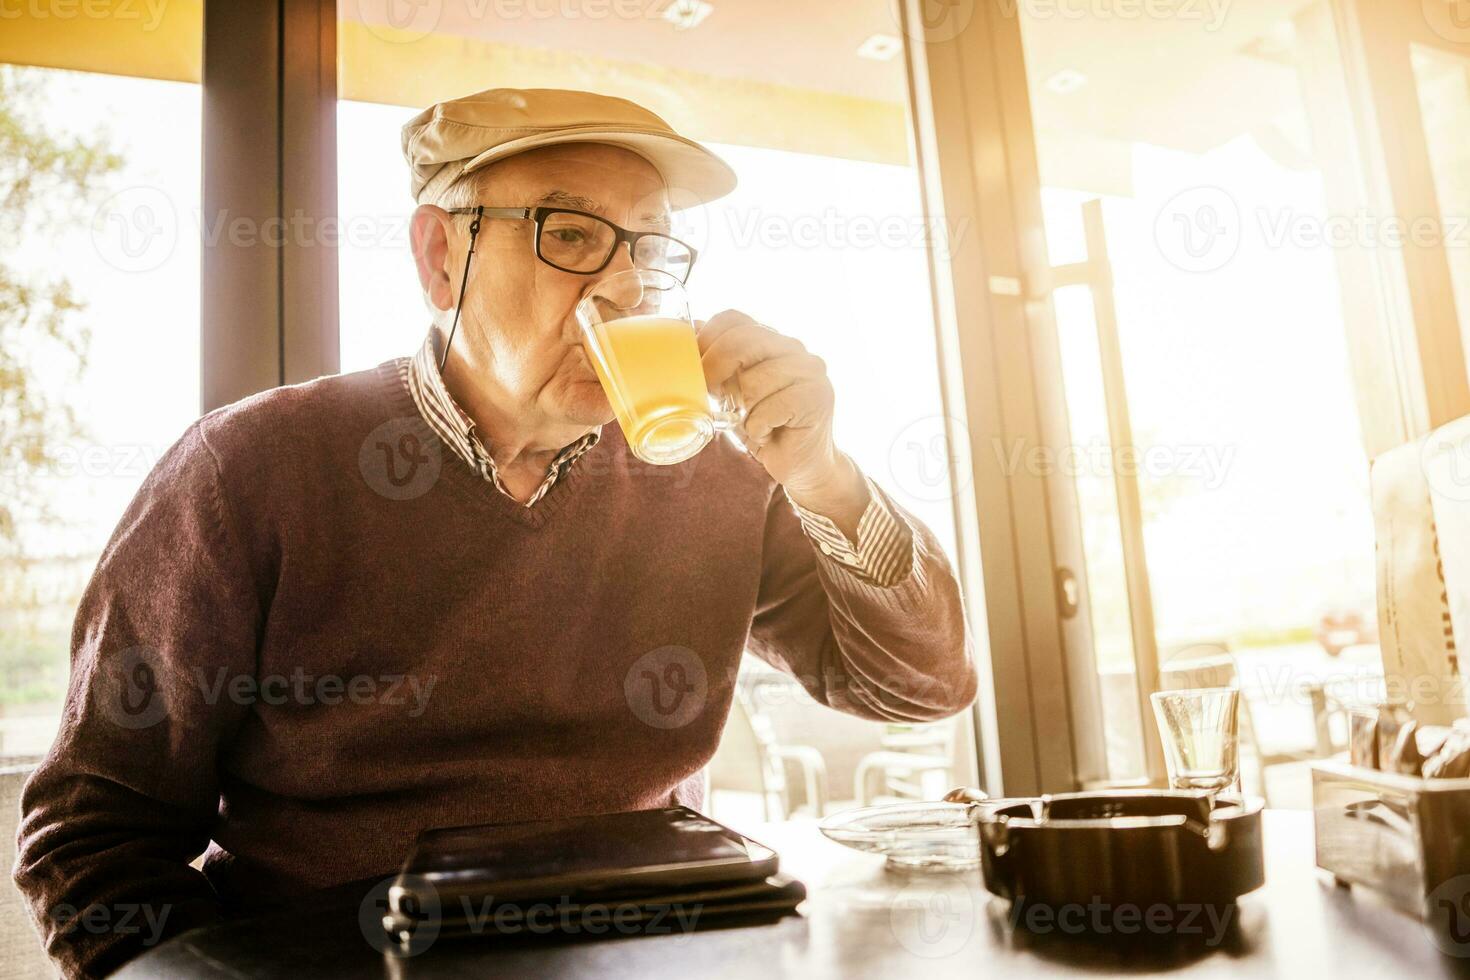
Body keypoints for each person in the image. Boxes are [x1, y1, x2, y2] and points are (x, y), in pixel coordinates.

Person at [15, 87, 977, 978]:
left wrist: (823, 476)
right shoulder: (252, 468)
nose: (624, 290)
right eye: (571, 236)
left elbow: (920, 685)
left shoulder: (718, 475)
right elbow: (93, 834)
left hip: (652, 946)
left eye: (649, 249)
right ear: (441, 257)